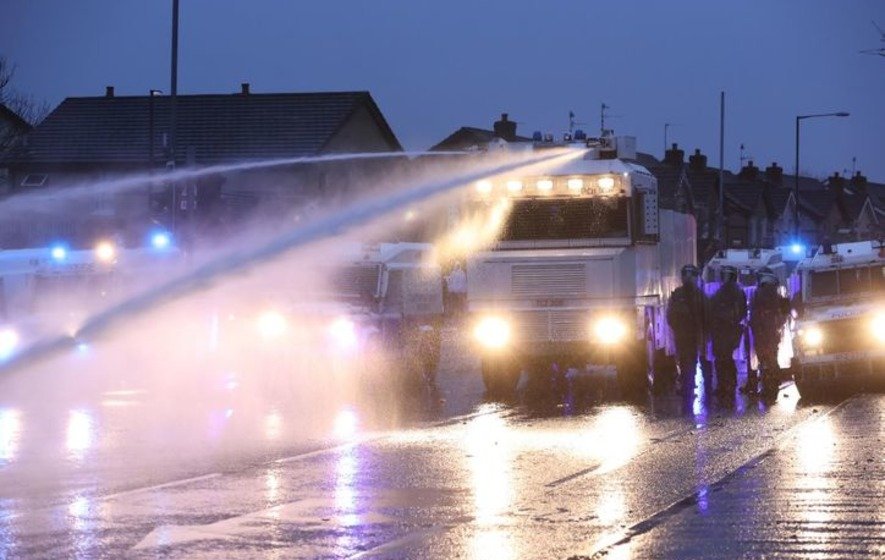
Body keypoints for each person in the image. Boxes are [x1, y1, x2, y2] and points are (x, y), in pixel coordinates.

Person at [746, 267, 790, 399]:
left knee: (765, 360)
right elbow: (785, 311)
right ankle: (772, 383)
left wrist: (753, 326)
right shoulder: (777, 293)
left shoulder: (758, 294)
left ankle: (768, 385)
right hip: (772, 333)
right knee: (771, 359)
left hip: (762, 334)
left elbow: (753, 315)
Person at [667, 264, 707, 398]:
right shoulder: (699, 295)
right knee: (690, 361)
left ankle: (686, 387)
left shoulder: (678, 294)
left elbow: (670, 316)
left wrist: (677, 329)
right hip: (692, 334)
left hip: (684, 334)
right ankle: (688, 387)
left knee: (685, 361)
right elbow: (707, 315)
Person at [708, 265, 747, 398]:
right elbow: (743, 312)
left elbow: (711, 308)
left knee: (721, 359)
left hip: (722, 331)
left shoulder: (722, 292)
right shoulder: (738, 292)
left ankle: (723, 385)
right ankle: (730, 384)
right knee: (726, 358)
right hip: (730, 330)